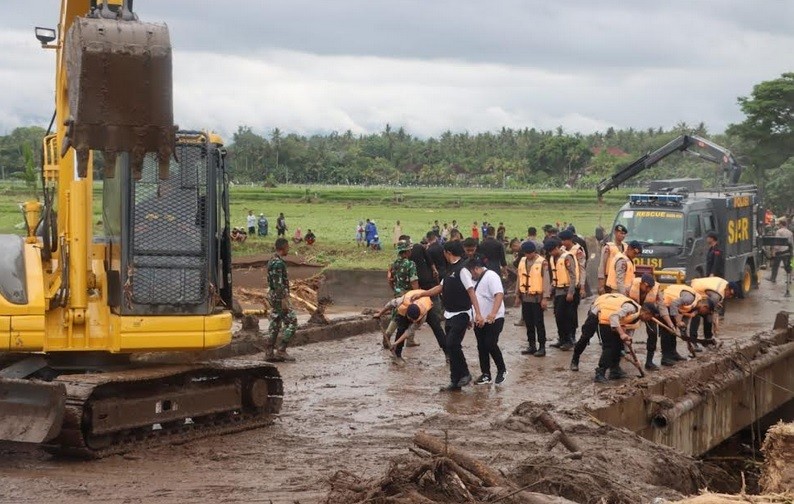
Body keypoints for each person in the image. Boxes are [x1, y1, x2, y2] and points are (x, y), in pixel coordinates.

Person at [411, 240, 484, 392]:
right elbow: (440, 288)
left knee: (451, 344)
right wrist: (422, 294)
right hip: (449, 314)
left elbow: (471, 292)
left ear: (448, 253)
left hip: (461, 314)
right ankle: (454, 381)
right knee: (450, 347)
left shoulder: (462, 270)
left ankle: (465, 373)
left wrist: (477, 314)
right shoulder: (451, 270)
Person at [587, 293, 656, 383]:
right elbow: (613, 316)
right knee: (609, 348)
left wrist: (625, 339)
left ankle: (615, 370)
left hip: (614, 325)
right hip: (605, 321)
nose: (648, 320)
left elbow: (627, 327)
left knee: (618, 346)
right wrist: (622, 334)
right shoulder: (631, 308)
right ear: (646, 312)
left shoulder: (637, 316)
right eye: (649, 317)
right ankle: (600, 373)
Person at [373, 289, 446, 364]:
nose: (413, 322)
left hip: (425, 301)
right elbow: (389, 304)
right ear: (407, 313)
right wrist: (380, 314)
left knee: (437, 327)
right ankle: (397, 355)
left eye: (414, 320)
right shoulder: (401, 302)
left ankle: (447, 353)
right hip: (410, 299)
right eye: (411, 320)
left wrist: (395, 343)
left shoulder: (423, 314)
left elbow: (409, 332)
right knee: (401, 328)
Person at [468, 255, 508, 385]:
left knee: (490, 343)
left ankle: (502, 369)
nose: (471, 276)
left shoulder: (491, 276)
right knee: (481, 346)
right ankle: (486, 374)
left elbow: (499, 294)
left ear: (476, 269)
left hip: (494, 318)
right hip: (479, 319)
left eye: (471, 273)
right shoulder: (472, 280)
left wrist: (493, 313)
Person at [659, 284, 713, 365]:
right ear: (705, 307)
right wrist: (678, 321)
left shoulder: (694, 306)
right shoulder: (690, 299)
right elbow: (674, 303)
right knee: (667, 332)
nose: (704, 315)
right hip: (665, 304)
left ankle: (673, 354)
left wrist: (686, 339)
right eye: (706, 313)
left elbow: (684, 322)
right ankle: (665, 358)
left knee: (673, 332)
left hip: (671, 308)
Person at [514, 241, 551, 356]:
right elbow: (519, 279)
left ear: (534, 251)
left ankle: (542, 347)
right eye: (526, 253)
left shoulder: (542, 262)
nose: (528, 255)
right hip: (525, 297)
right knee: (528, 323)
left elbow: (546, 281)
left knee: (538, 323)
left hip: (537, 298)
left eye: (530, 253)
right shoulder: (522, 261)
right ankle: (532, 345)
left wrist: (545, 298)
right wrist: (517, 295)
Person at [266, 238, 298, 361]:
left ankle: (269, 352)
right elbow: (278, 284)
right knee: (292, 322)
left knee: (275, 323)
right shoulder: (278, 264)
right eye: (288, 247)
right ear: (283, 247)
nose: (289, 249)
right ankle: (281, 350)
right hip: (279, 298)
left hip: (274, 297)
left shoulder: (271, 261)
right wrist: (284, 300)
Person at [547, 238, 578, 351]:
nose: (551, 253)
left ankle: (568, 340)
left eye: (551, 251)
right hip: (558, 290)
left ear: (556, 248)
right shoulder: (552, 258)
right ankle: (562, 338)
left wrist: (571, 292)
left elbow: (573, 276)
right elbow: (555, 276)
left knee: (564, 317)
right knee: (558, 316)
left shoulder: (567, 257)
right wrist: (550, 289)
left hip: (566, 291)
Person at [689, 277, 740, 345]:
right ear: (727, 288)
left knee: (708, 314)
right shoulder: (716, 296)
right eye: (730, 294)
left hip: (701, 289)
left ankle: (708, 338)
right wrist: (715, 325)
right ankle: (693, 341)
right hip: (694, 290)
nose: (730, 297)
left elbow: (713, 308)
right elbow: (713, 311)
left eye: (732, 296)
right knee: (698, 314)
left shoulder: (725, 285)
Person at [559, 229, 586, 340]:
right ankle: (563, 336)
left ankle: (572, 335)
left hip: (574, 285)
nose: (562, 243)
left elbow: (582, 268)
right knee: (562, 313)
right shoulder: (562, 250)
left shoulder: (578, 251)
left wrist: (582, 286)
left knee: (572, 313)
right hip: (563, 285)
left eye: (564, 240)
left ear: (569, 240)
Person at [598, 224, 628, 294]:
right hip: (609, 279)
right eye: (621, 233)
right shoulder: (608, 247)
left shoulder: (626, 247)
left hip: (622, 278)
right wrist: (601, 284)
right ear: (615, 233)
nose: (623, 236)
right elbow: (602, 265)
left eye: (624, 234)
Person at [769, 218, 794, 283]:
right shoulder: (790, 232)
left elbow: (777, 242)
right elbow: (791, 243)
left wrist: (774, 251)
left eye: (779, 224)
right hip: (787, 252)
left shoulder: (779, 231)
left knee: (775, 266)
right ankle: (789, 279)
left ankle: (773, 278)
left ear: (781, 224)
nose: (778, 225)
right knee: (787, 266)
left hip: (779, 252)